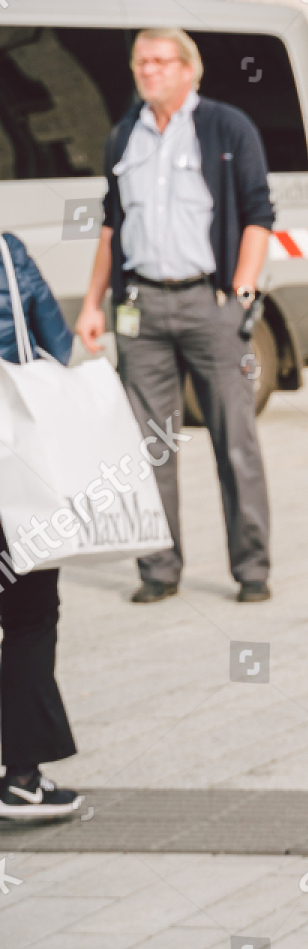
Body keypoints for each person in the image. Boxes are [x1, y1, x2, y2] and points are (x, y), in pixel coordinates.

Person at [74, 28, 275, 604]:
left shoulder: (226, 128)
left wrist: (240, 292)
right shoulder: (122, 137)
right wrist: (93, 304)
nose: (149, 71)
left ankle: (252, 569)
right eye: (142, 62)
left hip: (207, 304)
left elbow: (260, 213)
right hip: (142, 307)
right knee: (149, 448)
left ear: (190, 70)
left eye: (161, 61)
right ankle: (159, 569)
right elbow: (111, 227)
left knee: (235, 442)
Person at [0, 232, 83, 818]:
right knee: (29, 614)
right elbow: (56, 344)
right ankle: (21, 776)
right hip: (13, 464)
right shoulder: (8, 253)